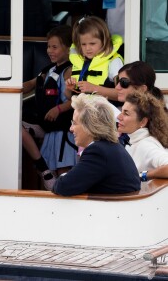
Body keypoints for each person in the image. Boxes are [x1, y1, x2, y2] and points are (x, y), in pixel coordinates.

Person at [51, 93, 140, 196]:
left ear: (90, 126)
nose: (71, 129)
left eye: (74, 123)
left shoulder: (98, 152)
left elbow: (63, 187)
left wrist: (65, 175)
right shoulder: (111, 147)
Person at [22, 25, 77, 188]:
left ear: (68, 49)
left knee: (63, 175)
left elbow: (76, 99)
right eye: (48, 46)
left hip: (63, 130)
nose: (49, 50)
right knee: (15, 127)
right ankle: (43, 168)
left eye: (55, 47)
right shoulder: (48, 70)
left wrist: (58, 109)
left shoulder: (70, 71)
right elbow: (29, 85)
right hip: (46, 127)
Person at [66, 16, 124, 102]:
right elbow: (68, 97)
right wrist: (70, 89)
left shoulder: (114, 62)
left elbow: (122, 95)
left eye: (92, 43)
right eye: (83, 44)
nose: (87, 48)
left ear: (104, 41)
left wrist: (93, 88)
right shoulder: (81, 62)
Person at [117, 91, 168, 180]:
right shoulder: (135, 141)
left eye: (126, 113)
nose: (119, 117)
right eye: (121, 111)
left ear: (143, 122)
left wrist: (142, 175)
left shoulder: (146, 145)